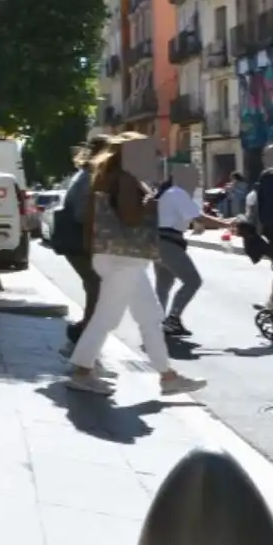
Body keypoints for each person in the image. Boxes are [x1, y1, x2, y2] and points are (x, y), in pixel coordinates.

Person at [65, 134, 206, 396]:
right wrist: (150, 207)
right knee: (106, 318)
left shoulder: (107, 176)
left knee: (150, 317)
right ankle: (82, 372)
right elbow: (130, 218)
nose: (154, 159)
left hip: (117, 257)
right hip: (124, 260)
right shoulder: (126, 179)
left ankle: (168, 377)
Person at [153, 164, 233, 337]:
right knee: (192, 281)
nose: (197, 182)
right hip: (169, 242)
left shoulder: (168, 193)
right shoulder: (177, 192)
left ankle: (155, 322)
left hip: (159, 241)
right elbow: (198, 217)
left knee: (163, 286)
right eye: (195, 178)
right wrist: (226, 224)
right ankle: (173, 319)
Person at [55, 137, 110, 356]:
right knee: (98, 290)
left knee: (96, 289)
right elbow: (83, 215)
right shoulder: (90, 177)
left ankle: (82, 338)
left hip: (77, 242)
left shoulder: (86, 174)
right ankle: (82, 340)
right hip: (80, 242)